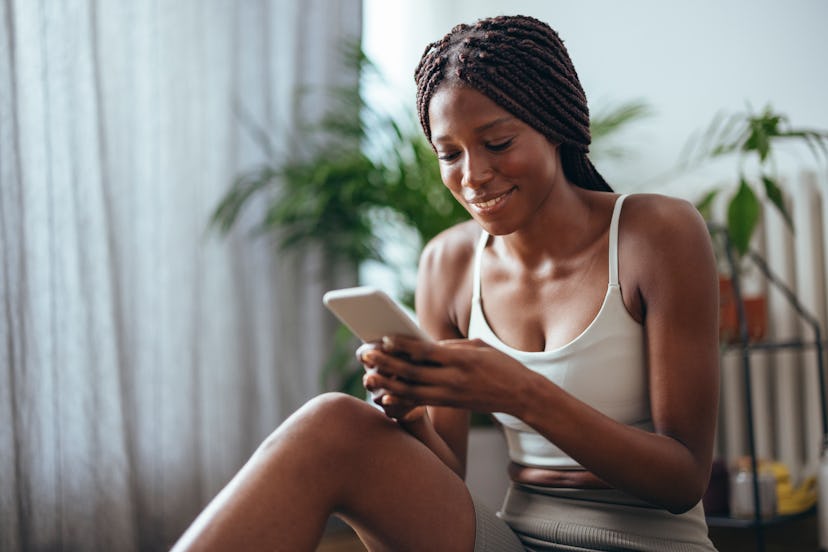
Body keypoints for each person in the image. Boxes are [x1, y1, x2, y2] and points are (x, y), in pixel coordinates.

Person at [173, 14, 720, 551]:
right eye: (450, 153)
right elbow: (445, 472)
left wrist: (518, 390)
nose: (473, 175)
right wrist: (409, 411)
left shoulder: (656, 234)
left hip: (649, 544)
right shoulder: (449, 264)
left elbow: (683, 481)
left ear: (555, 125)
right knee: (333, 422)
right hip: (513, 539)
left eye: (498, 143)